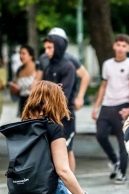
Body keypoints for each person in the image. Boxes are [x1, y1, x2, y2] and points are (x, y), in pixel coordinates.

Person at [92, 34, 129, 184]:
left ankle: (122, 173)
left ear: (128, 48)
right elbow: (103, 85)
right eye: (118, 45)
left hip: (122, 105)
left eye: (124, 46)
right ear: (114, 46)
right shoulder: (107, 64)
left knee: (122, 141)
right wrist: (96, 106)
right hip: (107, 105)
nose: (120, 48)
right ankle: (115, 161)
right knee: (100, 135)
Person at [40, 35, 78, 173]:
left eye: (50, 48)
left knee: (67, 149)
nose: (47, 51)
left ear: (58, 47)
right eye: (45, 48)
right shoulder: (49, 66)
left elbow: (64, 95)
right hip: (51, 115)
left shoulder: (68, 66)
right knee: (53, 149)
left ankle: (70, 183)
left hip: (65, 115)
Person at [36, 27, 91, 112]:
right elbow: (37, 79)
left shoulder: (69, 61)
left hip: (65, 107)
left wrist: (80, 97)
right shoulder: (44, 58)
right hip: (47, 106)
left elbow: (85, 76)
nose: (47, 51)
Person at [8, 45, 37, 118]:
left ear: (31, 56)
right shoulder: (19, 69)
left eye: (23, 53)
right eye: (20, 54)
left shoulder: (38, 67)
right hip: (23, 102)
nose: (21, 56)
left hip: (35, 102)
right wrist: (13, 88)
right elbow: (14, 86)